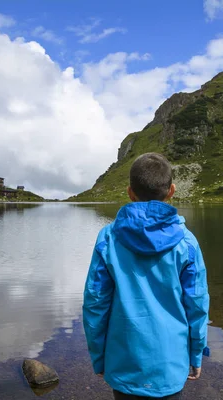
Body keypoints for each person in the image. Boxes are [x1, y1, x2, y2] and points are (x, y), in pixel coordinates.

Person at [83, 152, 210, 399]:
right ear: (171, 190)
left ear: (130, 192)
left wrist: (99, 357)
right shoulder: (187, 243)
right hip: (170, 367)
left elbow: (95, 303)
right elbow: (197, 305)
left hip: (124, 364)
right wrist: (195, 354)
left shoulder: (108, 239)